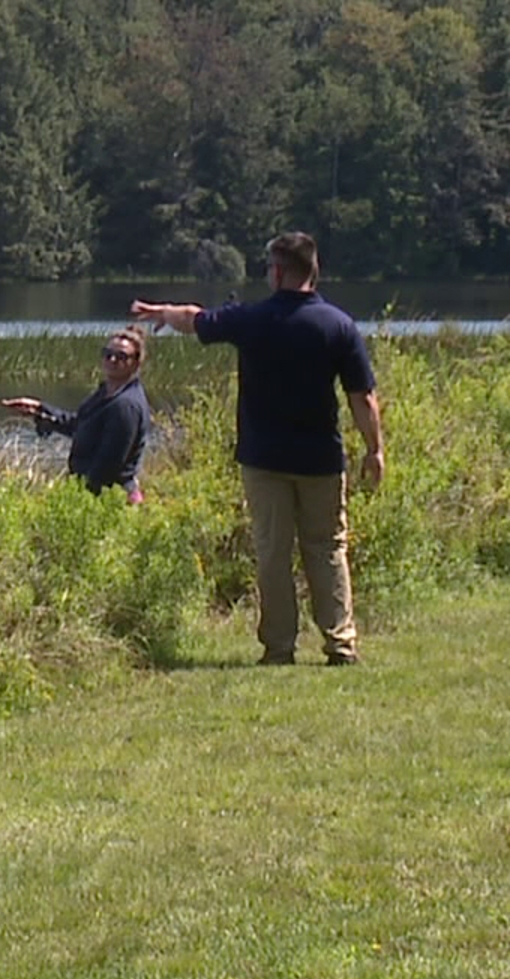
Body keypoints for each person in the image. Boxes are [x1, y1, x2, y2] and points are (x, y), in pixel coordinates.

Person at [131, 231, 384, 666]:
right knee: (327, 548)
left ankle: (280, 648)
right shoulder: (338, 324)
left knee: (273, 552)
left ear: (280, 271)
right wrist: (373, 450)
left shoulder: (251, 319)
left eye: (270, 267)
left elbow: (196, 319)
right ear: (314, 270)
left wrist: (162, 312)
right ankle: (341, 644)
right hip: (321, 459)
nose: (268, 273)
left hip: (264, 460)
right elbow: (362, 397)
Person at [2, 326, 151, 503]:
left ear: (135, 363)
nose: (112, 359)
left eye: (121, 356)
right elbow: (78, 425)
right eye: (107, 353)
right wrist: (39, 409)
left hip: (111, 500)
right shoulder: (106, 393)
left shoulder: (126, 406)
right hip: (95, 496)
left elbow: (108, 466)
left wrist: (78, 500)